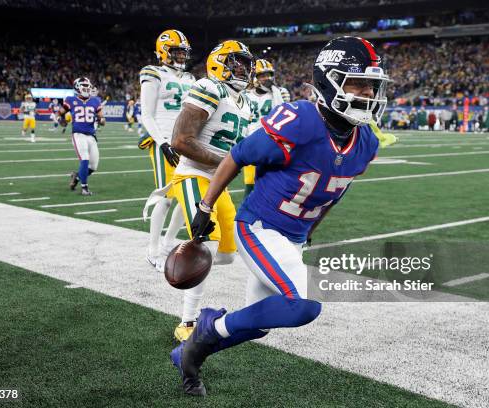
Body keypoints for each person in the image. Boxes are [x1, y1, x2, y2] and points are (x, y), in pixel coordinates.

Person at [170, 36, 391, 396]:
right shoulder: (301, 119)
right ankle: (207, 326)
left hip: (292, 236)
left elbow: (336, 190)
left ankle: (186, 355)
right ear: (328, 80)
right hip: (259, 226)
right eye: (357, 82)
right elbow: (238, 155)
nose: (367, 92)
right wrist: (206, 206)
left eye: (372, 84)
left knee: (259, 323)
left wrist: (310, 230)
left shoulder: (367, 143)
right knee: (302, 306)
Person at [168, 40, 254, 342]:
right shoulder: (209, 87)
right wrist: (228, 162)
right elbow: (180, 140)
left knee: (228, 255)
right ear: (218, 62)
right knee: (208, 244)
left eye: (245, 63)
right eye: (235, 61)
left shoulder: (246, 101)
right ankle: (187, 322)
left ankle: (179, 260)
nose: (242, 68)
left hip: (218, 181)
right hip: (193, 174)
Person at [137, 29, 196, 280]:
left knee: (187, 195)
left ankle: (168, 241)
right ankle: (153, 249)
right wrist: (162, 142)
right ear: (164, 51)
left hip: (186, 142)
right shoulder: (153, 72)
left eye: (184, 52)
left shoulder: (191, 78)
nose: (181, 56)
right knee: (165, 196)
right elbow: (146, 113)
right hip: (163, 140)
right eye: (177, 51)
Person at [242, 59, 286, 198]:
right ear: (254, 78)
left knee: (272, 182)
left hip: (272, 142)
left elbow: (281, 112)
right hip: (251, 142)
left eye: (269, 75)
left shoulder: (280, 92)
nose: (267, 79)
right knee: (250, 182)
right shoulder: (245, 96)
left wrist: (274, 91)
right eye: (262, 76)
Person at [58, 77, 105, 196]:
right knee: (84, 159)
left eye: (88, 87)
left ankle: (77, 177)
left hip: (91, 135)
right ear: (77, 88)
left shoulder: (95, 101)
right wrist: (61, 120)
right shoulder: (70, 100)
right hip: (78, 134)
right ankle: (84, 188)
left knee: (93, 166)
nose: (86, 89)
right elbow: (60, 114)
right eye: (84, 87)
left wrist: (102, 120)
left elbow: (101, 117)